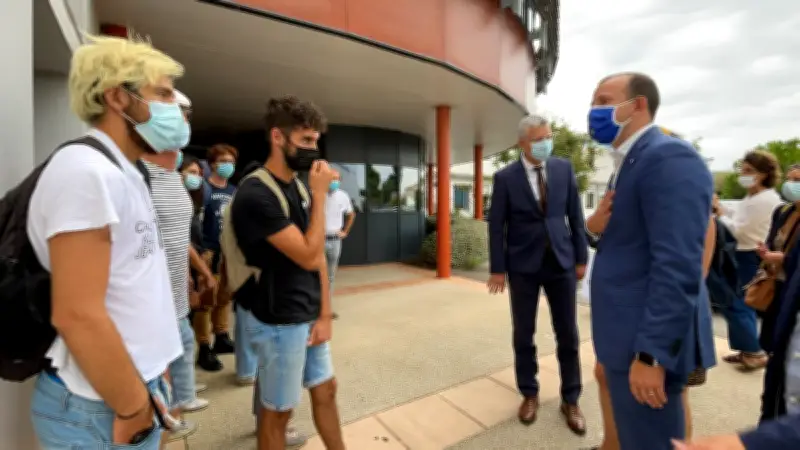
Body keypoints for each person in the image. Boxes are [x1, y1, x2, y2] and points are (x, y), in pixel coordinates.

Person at [26, 35, 185, 449]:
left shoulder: (126, 170)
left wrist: (153, 378)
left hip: (126, 390)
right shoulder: (85, 172)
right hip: (96, 407)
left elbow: (133, 283)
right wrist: (132, 407)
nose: (177, 108)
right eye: (163, 93)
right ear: (117, 97)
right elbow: (77, 314)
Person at [587, 72, 714, 450]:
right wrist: (593, 229)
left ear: (638, 105)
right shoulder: (628, 164)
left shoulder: (668, 157)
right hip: (623, 336)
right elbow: (628, 243)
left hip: (643, 343)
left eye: (603, 100)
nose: (593, 111)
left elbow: (677, 265)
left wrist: (651, 355)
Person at [228, 95, 344, 450]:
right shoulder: (256, 194)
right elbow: (310, 255)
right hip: (278, 320)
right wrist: (321, 196)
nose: (314, 149)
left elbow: (319, 259)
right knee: (278, 413)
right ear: (278, 137)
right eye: (305, 140)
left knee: (326, 390)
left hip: (306, 312)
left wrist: (324, 314)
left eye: (316, 140)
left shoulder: (298, 187)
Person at [588, 191, 718, 450]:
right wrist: (594, 227)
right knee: (606, 375)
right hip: (627, 312)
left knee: (668, 394)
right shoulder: (630, 186)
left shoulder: (683, 193)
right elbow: (606, 239)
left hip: (665, 315)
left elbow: (690, 276)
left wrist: (652, 353)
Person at [487, 114, 589, 434]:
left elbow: (575, 215)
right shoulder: (505, 178)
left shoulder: (563, 169)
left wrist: (581, 256)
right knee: (523, 333)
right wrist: (497, 269)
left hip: (561, 262)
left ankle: (570, 398)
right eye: (538, 139)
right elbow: (496, 226)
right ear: (522, 143)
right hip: (523, 266)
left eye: (548, 136)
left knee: (568, 334)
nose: (546, 143)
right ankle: (529, 393)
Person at [139, 90, 211, 436]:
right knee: (159, 392)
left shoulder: (173, 176)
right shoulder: (137, 175)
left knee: (183, 354)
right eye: (178, 113)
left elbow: (177, 238)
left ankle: (177, 411)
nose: (184, 121)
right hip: (151, 308)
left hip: (176, 299)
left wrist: (196, 276)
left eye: (186, 114)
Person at [714, 151, 782, 370]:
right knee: (739, 302)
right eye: (742, 170)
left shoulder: (763, 200)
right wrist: (723, 211)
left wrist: (718, 212)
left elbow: (740, 232)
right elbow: (736, 219)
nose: (743, 175)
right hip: (743, 254)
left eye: (749, 171)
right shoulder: (752, 198)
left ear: (763, 174)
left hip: (748, 254)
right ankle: (746, 349)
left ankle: (753, 351)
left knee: (739, 303)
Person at [756, 165, 800, 423]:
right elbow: (774, 239)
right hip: (781, 286)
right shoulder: (783, 211)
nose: (792, 185)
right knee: (776, 349)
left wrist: (784, 259)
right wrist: (767, 254)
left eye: (798, 180)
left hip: (790, 285)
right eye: (790, 179)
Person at [194, 143, 239, 373]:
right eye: (223, 161)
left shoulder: (233, 190)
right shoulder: (204, 190)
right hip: (208, 252)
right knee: (205, 301)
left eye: (231, 162)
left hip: (228, 252)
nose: (227, 166)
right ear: (212, 164)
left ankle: (221, 335)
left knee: (224, 297)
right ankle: (203, 346)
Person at [324, 171, 356, 319]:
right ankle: (314, 310)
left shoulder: (343, 196)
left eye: (336, 179)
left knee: (330, 276)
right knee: (315, 275)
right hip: (320, 240)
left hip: (335, 241)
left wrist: (345, 232)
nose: (333, 182)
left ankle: (327, 310)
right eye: (331, 179)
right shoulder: (317, 194)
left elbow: (351, 214)